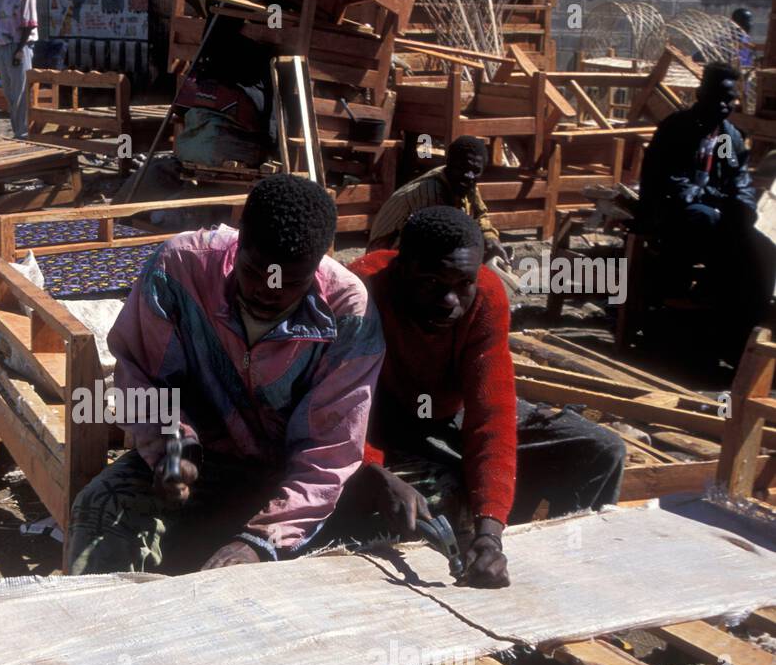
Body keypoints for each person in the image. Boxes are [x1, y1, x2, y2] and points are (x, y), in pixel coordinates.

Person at [67, 175, 385, 575]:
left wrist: (259, 541)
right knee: (100, 506)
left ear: (318, 263)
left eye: (291, 282)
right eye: (254, 272)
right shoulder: (179, 268)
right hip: (206, 465)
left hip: (285, 483)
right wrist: (174, 445)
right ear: (239, 244)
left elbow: (329, 453)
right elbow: (137, 372)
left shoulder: (348, 313)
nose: (267, 292)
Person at [343, 207, 626, 588]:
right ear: (401, 267)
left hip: (449, 410)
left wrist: (490, 530)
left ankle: (566, 578)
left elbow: (490, 416)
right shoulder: (362, 290)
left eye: (463, 283)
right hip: (382, 415)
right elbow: (347, 405)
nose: (449, 301)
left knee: (602, 450)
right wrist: (371, 471)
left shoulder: (487, 297)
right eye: (431, 282)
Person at [638, 61, 772, 362]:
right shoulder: (676, 128)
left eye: (730, 100)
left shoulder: (731, 137)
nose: (725, 105)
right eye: (719, 97)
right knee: (706, 219)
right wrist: (717, 199)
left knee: (763, 246)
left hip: (717, 216)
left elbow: (741, 182)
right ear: (701, 94)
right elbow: (672, 184)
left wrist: (742, 206)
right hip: (672, 215)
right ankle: (689, 308)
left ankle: (743, 336)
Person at [368, 135, 509, 264]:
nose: (469, 175)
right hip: (384, 255)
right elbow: (438, 237)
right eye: (461, 168)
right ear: (449, 163)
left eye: (476, 171)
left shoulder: (468, 182)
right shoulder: (431, 191)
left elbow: (480, 214)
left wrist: (490, 238)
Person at [0, 0, 38, 139]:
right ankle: (16, 131)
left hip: (19, 46)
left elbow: (29, 25)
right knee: (9, 93)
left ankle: (23, 133)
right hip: (3, 47)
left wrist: (19, 50)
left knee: (20, 92)